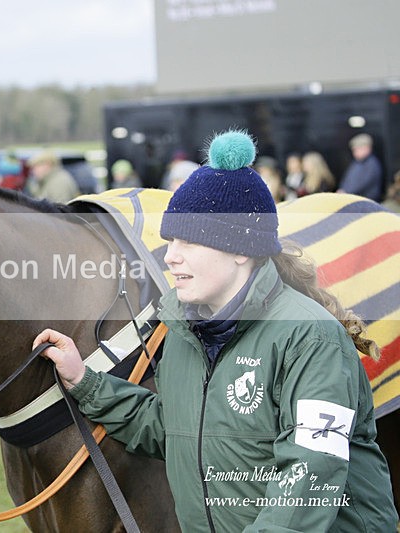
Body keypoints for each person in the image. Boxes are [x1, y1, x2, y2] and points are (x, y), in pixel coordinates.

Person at [35, 130, 397, 531]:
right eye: (170, 240)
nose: (170, 257)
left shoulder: (311, 338)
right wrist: (85, 381)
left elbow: (311, 472)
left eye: (189, 241)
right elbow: (172, 428)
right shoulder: (188, 331)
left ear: (241, 249)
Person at [338, 133, 384, 202]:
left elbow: (363, 183)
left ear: (367, 148)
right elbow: (347, 179)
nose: (354, 152)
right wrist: (342, 189)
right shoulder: (356, 163)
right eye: (354, 150)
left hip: (366, 202)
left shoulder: (371, 164)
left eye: (357, 149)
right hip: (353, 200)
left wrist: (345, 191)